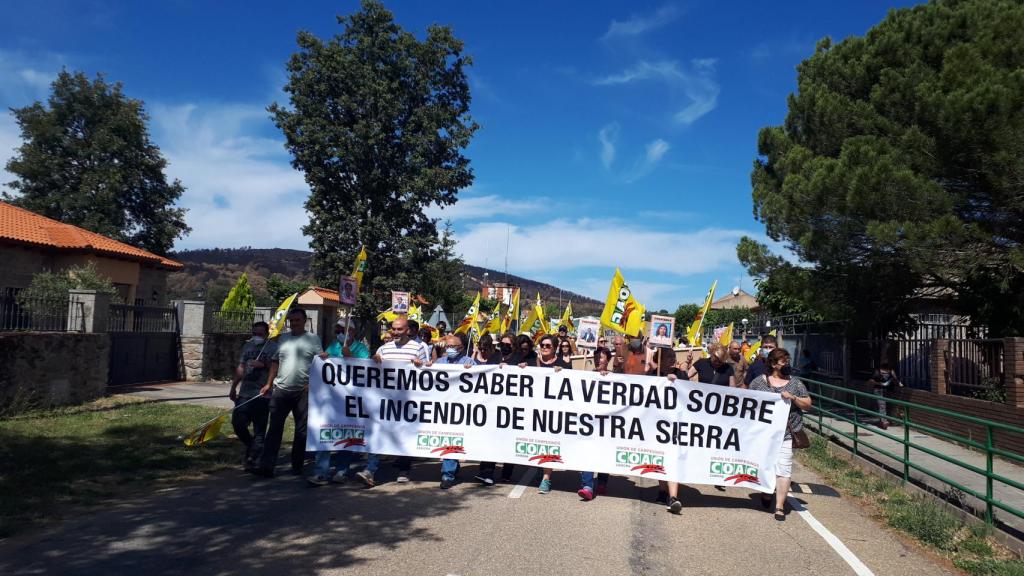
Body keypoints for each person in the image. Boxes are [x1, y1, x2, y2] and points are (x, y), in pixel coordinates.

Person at [251, 308, 323, 478]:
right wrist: (269, 383)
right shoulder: (283, 339)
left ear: (305, 320)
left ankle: (297, 466)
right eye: (292, 321)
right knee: (274, 429)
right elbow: (275, 362)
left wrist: (313, 383)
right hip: (281, 390)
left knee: (301, 431)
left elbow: (320, 363)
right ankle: (266, 466)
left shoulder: (313, 339)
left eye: (297, 320)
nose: (294, 323)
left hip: (303, 391)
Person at [749, 348, 812, 521]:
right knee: (765, 465)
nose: (787, 364)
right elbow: (748, 402)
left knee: (783, 469)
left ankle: (779, 506)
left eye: (788, 361)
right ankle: (767, 493)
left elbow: (807, 404)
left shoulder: (795, 383)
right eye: (783, 361)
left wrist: (793, 398)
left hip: (785, 434)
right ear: (773, 364)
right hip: (764, 435)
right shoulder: (759, 382)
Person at [309, 322, 371, 485]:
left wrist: (348, 355)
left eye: (345, 330)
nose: (341, 333)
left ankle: (341, 471)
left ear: (353, 331)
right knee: (326, 430)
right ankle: (321, 472)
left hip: (353, 398)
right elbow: (326, 365)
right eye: (339, 330)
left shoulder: (361, 348)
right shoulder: (333, 345)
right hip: (333, 398)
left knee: (348, 433)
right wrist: (324, 358)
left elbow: (365, 369)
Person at [527, 334, 586, 498]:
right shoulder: (533, 364)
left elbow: (574, 384)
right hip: (535, 411)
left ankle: (546, 478)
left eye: (548, 346)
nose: (544, 348)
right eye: (542, 345)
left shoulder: (562, 365)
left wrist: (563, 373)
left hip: (554, 412)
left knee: (549, 442)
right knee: (538, 441)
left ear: (554, 349)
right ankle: (542, 470)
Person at [427, 333, 475, 489]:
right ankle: (451, 469)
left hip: (461, 409)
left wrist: (472, 370)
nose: (449, 349)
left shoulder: (468, 362)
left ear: (461, 348)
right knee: (448, 438)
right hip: (443, 408)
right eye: (447, 346)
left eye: (453, 346)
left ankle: (447, 474)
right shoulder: (440, 362)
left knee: (453, 439)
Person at [229, 321, 276, 469]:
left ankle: (253, 459)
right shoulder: (248, 346)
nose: (256, 337)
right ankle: (251, 446)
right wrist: (233, 387)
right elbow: (241, 367)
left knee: (259, 429)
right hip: (245, 392)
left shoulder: (272, 347)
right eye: (254, 334)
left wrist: (264, 365)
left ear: (267, 334)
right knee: (238, 422)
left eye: (260, 334)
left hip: (262, 393)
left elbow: (277, 368)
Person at [867, 362, 902, 429]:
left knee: (886, 405)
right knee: (882, 405)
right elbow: (871, 380)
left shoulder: (891, 371)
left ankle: (883, 420)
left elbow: (895, 379)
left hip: (888, 390)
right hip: (879, 390)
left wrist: (898, 383)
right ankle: (884, 421)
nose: (886, 373)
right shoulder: (877, 372)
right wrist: (880, 383)